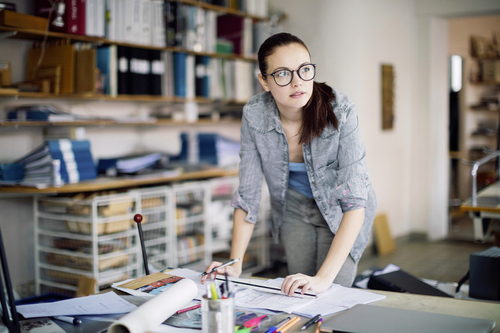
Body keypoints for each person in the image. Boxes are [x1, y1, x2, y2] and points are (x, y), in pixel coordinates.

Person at [201, 32, 377, 296]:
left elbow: (355, 202)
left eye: (304, 70)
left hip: (340, 211)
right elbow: (247, 195)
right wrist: (235, 264)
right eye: (283, 73)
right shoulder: (254, 114)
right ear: (264, 81)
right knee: (298, 294)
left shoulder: (341, 110)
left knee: (329, 293)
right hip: (293, 209)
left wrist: (322, 278)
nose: (298, 82)